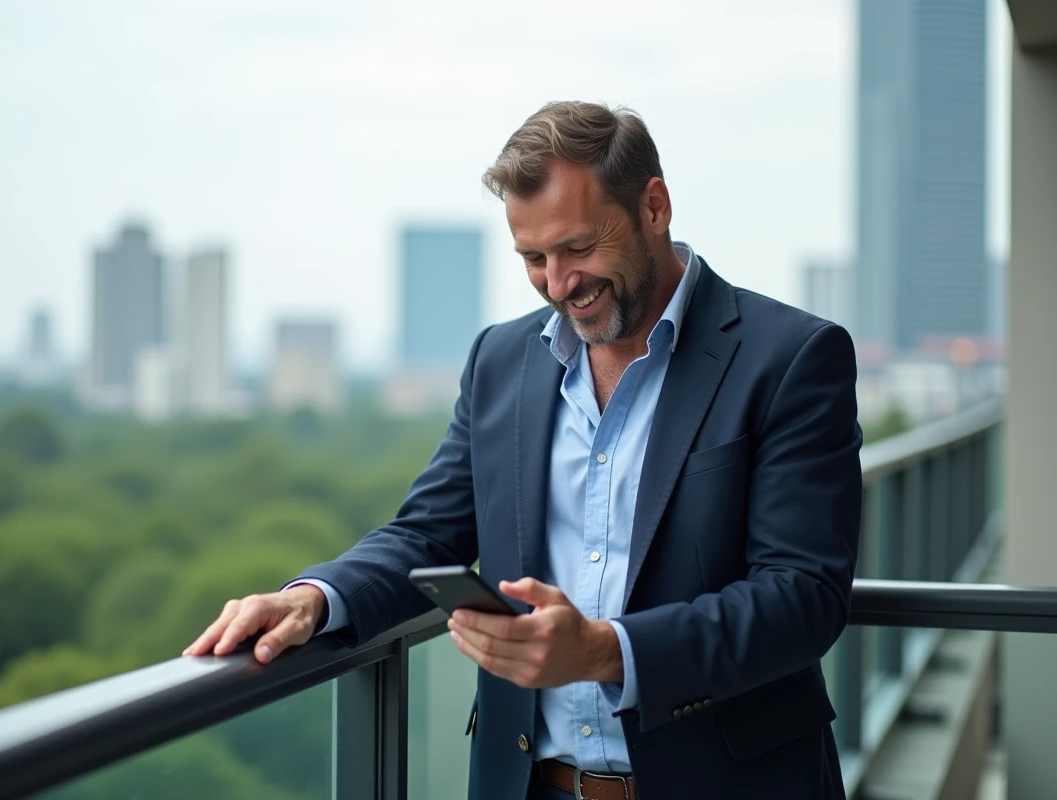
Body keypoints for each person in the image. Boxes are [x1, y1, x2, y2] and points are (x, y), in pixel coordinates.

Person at [184, 101, 862, 800]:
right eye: (534, 258)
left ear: (654, 206)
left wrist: (604, 651)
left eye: (578, 248)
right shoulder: (500, 359)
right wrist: (314, 599)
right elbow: (428, 532)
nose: (559, 284)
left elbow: (802, 598)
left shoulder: (791, 357)